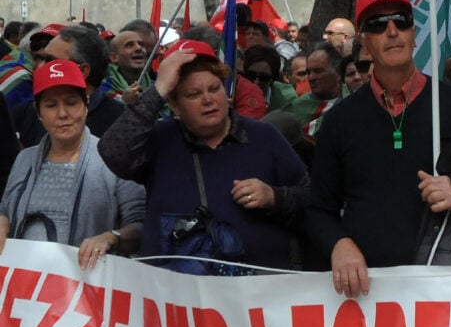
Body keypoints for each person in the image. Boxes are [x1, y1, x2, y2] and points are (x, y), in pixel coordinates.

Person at [307, 0, 451, 298]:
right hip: (369, 297)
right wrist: (339, 244)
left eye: (401, 21)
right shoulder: (340, 119)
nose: (392, 31)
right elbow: (317, 208)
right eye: (378, 25)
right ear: (364, 42)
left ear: (414, 32)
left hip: (447, 293)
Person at [98, 40, 310, 272]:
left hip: (255, 294)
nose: (208, 99)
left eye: (214, 88)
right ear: (175, 106)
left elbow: (311, 199)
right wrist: (156, 92)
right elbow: (113, 151)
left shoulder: (264, 137)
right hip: (175, 296)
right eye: (193, 94)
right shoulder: (159, 140)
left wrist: (273, 196)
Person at [0, 60, 144, 270]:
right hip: (26, 285)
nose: (62, 114)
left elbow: (139, 225)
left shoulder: (114, 160)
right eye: (51, 105)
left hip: (87, 286)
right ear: (38, 111)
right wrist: (2, 219)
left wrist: (111, 238)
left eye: (71, 102)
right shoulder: (25, 159)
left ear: (86, 104)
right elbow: (5, 207)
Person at [15, 25, 125, 147]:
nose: (40, 67)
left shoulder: (122, 122)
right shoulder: (25, 113)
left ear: (82, 71)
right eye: (51, 106)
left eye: (50, 61)